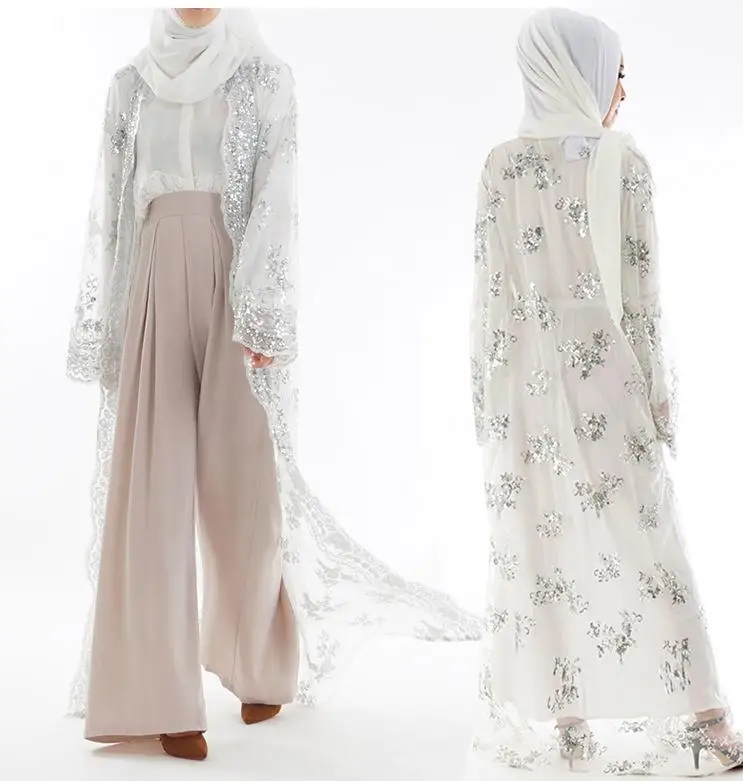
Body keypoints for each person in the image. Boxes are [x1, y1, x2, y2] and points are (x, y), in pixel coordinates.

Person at [66, 8, 480, 761]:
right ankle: (158, 696)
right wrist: (111, 321)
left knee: (245, 483)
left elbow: (277, 194)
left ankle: (258, 663)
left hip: (238, 279)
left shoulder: (263, 77)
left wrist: (263, 311)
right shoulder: (130, 84)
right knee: (153, 493)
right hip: (153, 279)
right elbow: (113, 210)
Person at [469, 8, 743, 776]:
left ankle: (601, 720)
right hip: (604, 372)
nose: (621, 92)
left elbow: (491, 295)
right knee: (626, 538)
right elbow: (642, 296)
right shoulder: (618, 161)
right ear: (575, 70)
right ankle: (694, 720)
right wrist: (658, 396)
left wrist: (488, 391)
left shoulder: (505, 165)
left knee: (567, 535)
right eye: (616, 73)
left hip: (530, 380)